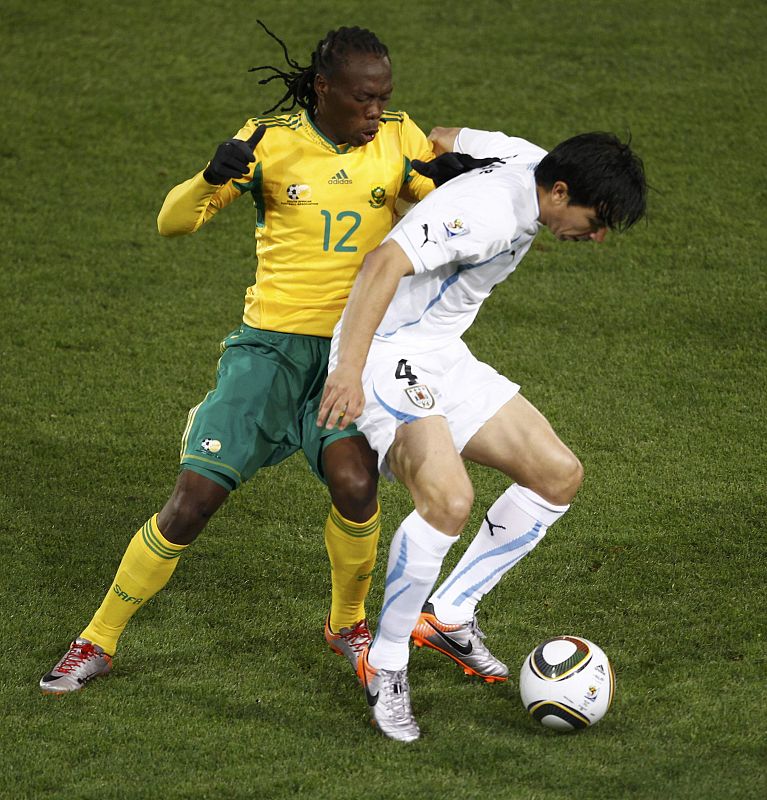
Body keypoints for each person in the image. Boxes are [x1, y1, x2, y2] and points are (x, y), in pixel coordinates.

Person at [40, 23, 437, 694]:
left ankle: (347, 623)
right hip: (269, 352)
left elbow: (443, 212)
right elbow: (173, 222)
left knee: (356, 486)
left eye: (384, 98)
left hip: (351, 355)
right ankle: (97, 640)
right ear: (323, 89)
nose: (376, 111)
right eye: (363, 99)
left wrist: (445, 180)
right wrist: (209, 176)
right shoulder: (268, 141)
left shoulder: (400, 138)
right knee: (193, 501)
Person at [317, 126, 647, 741]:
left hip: (441, 352)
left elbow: (442, 136)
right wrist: (349, 371)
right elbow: (383, 262)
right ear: (560, 191)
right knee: (448, 500)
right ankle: (387, 662)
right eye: (595, 221)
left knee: (557, 475)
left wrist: (443, 169)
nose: (597, 236)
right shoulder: (490, 214)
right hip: (385, 352)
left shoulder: (527, 158)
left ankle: (448, 613)